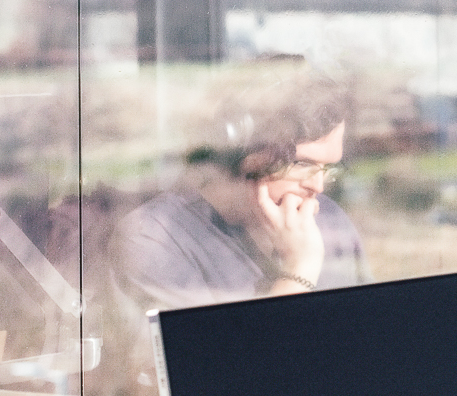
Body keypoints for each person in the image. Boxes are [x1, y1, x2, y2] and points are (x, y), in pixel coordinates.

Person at [112, 70, 369, 315]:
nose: (318, 186)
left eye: (328, 167)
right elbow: (220, 360)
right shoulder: (154, 239)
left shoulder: (329, 220)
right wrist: (299, 270)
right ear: (243, 150)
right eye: (301, 164)